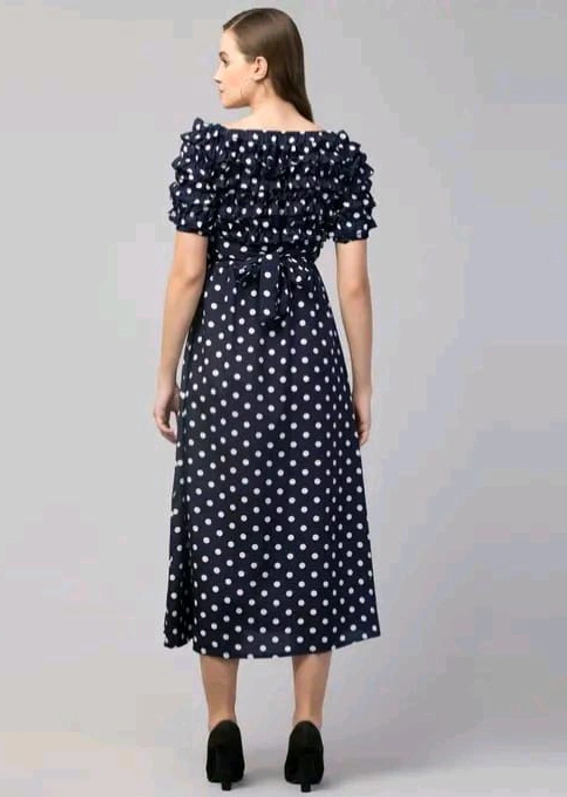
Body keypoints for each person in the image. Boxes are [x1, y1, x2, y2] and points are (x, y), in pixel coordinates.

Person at [153, 7, 381, 791]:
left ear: (261, 66)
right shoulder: (337, 157)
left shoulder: (211, 151)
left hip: (226, 363)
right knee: (310, 532)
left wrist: (165, 373)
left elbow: (187, 273)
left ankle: (223, 732)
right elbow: (354, 286)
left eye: (224, 58)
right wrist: (361, 384)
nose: (216, 73)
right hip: (310, 367)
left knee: (220, 528)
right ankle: (306, 731)